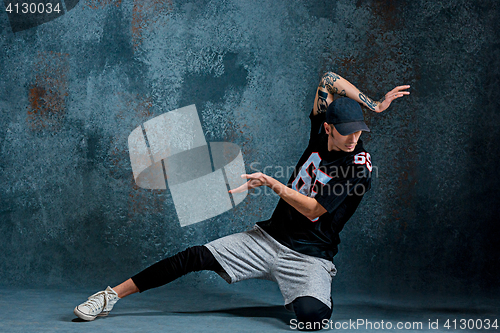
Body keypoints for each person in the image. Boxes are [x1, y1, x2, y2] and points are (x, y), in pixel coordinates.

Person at [73, 72, 410, 331]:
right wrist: (374, 103)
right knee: (194, 256)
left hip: (309, 257)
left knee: (311, 320)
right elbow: (328, 79)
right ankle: (109, 296)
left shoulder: (358, 168)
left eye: (360, 130)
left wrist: (271, 182)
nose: (354, 138)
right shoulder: (319, 133)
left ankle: (312, 293)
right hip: (266, 240)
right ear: (328, 127)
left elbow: (313, 209)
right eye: (346, 130)